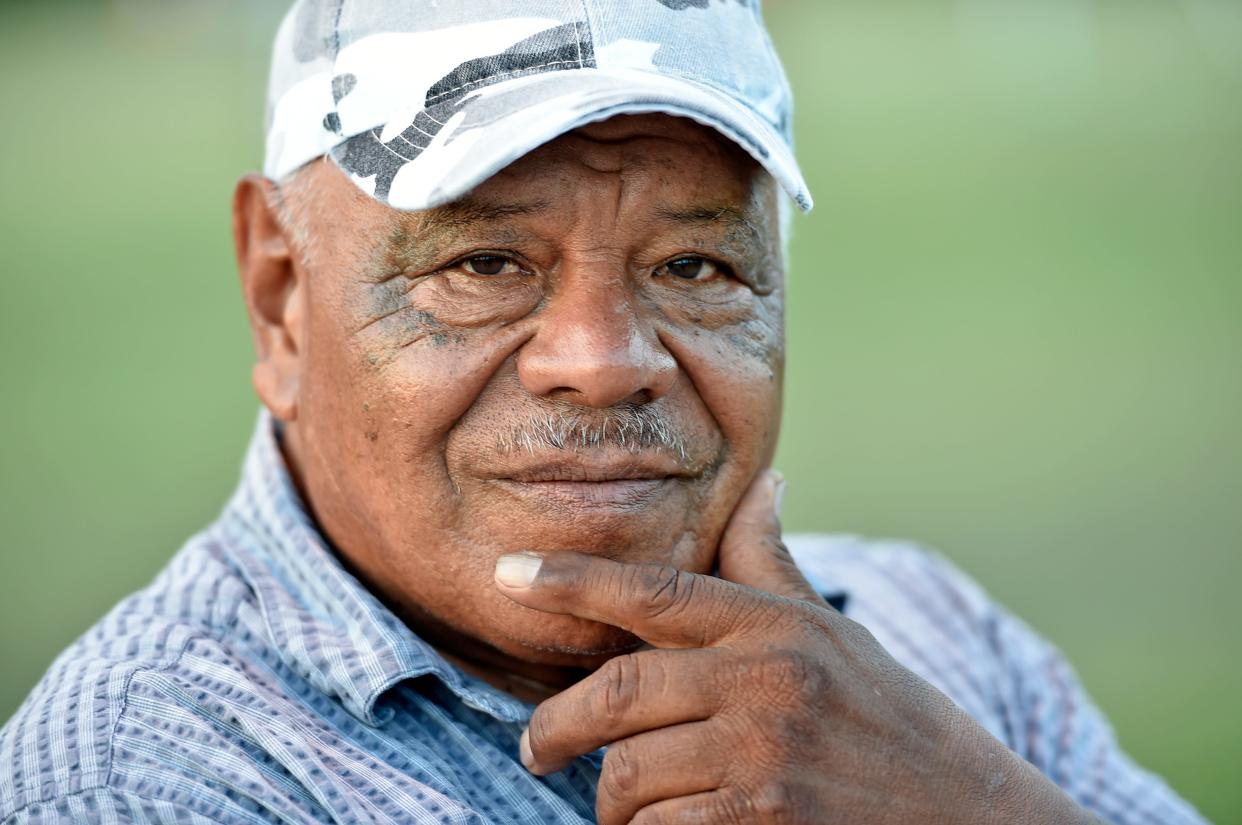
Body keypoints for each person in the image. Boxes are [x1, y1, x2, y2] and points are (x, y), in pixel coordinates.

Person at [0, 2, 1208, 823]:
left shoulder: (931, 643)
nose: (604, 361)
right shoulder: (144, 777)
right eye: (480, 265)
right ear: (278, 294)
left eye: (695, 268)